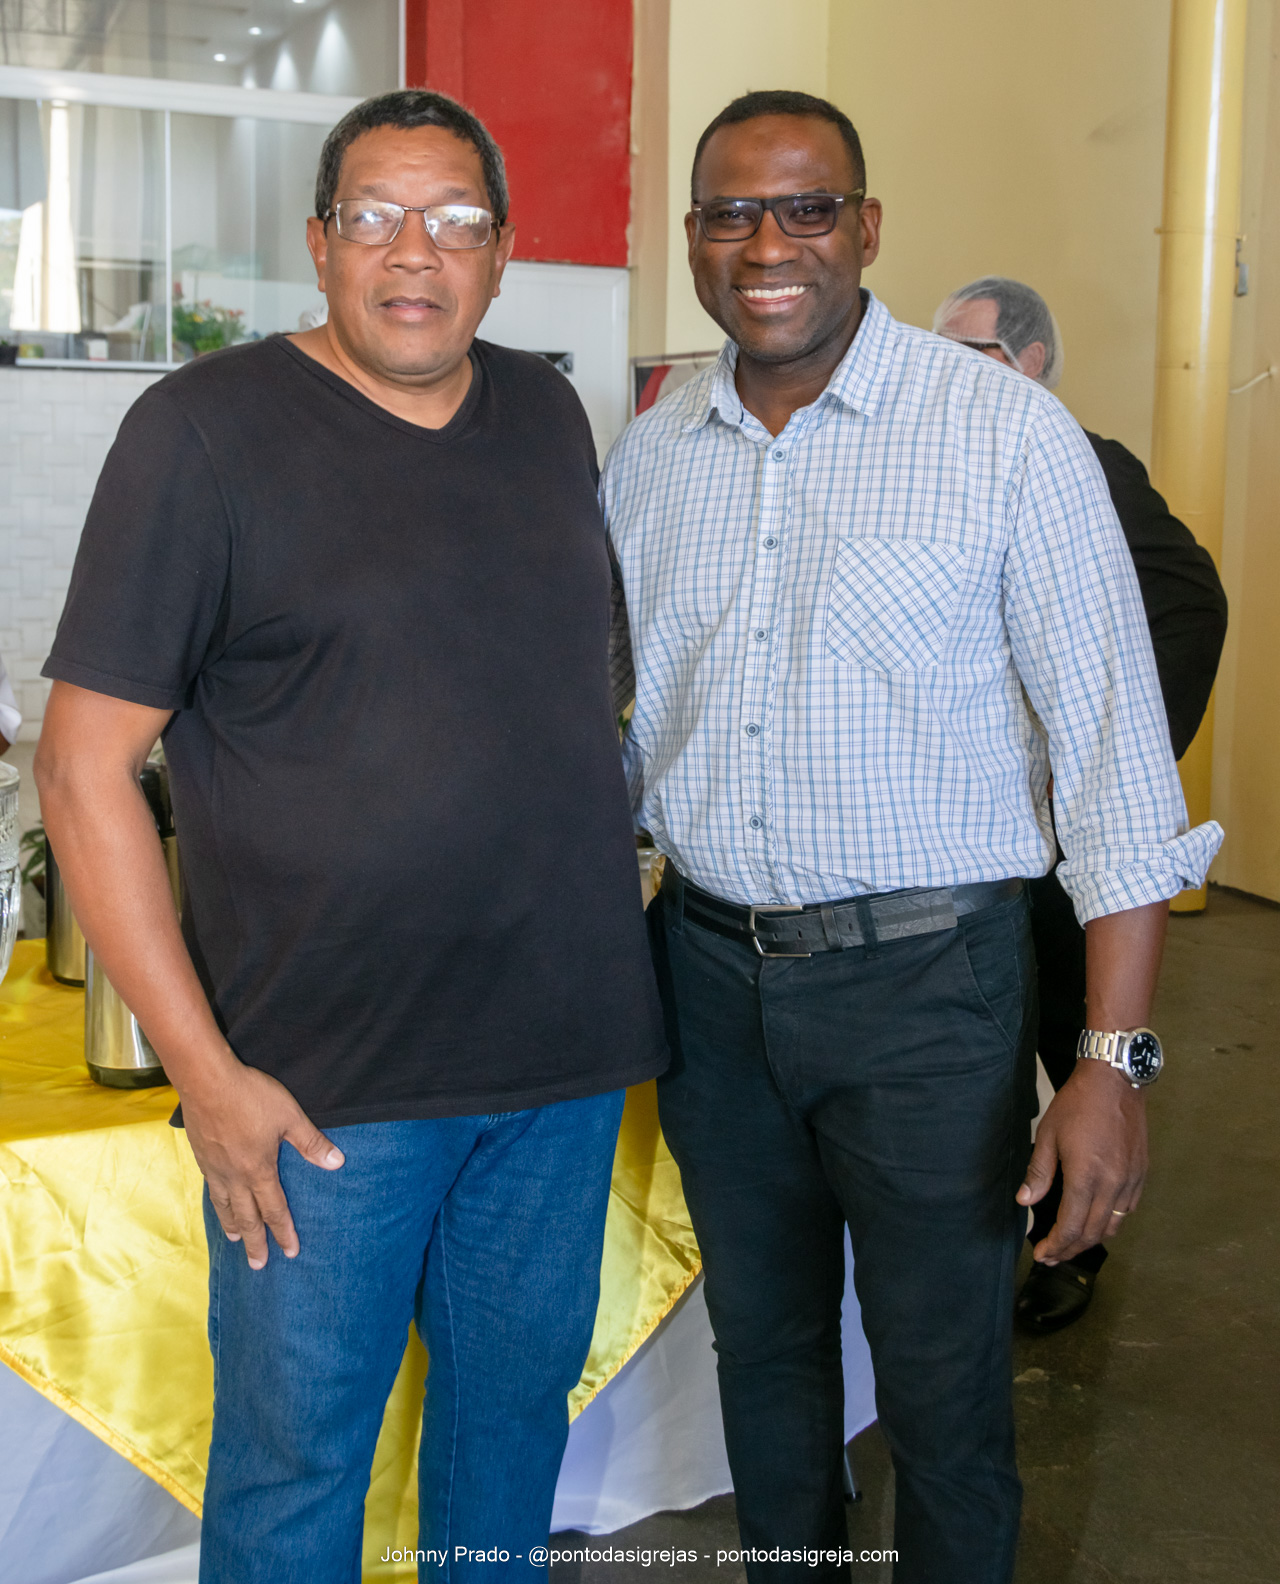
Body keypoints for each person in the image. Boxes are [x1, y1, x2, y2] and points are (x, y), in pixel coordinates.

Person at [34, 88, 666, 1584]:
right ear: (319, 244)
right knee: (296, 1471)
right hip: (321, 1095)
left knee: (508, 1445)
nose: (413, 252)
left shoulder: (545, 417)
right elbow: (80, 770)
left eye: (454, 220)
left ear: (501, 252)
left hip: (558, 1067)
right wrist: (208, 1077)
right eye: (374, 216)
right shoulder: (202, 431)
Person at [601, 88, 1221, 1584]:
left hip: (929, 993)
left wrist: (1108, 1063)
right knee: (766, 1361)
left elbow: (1116, 771)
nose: (768, 244)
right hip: (709, 983)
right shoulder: (650, 457)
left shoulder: (1004, 437)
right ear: (691, 237)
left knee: (945, 1395)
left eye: (805, 208)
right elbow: (621, 733)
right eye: (731, 213)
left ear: (865, 229)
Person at [935, 276, 1228, 1331]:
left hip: (1059, 842)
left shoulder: (1081, 461)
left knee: (1075, 1030)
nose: (948, 376)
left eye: (972, 355)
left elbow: (1190, 599)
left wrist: (1103, 761)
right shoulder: (936, 465)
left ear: (1032, 363)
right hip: (962, 840)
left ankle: (1073, 1244)